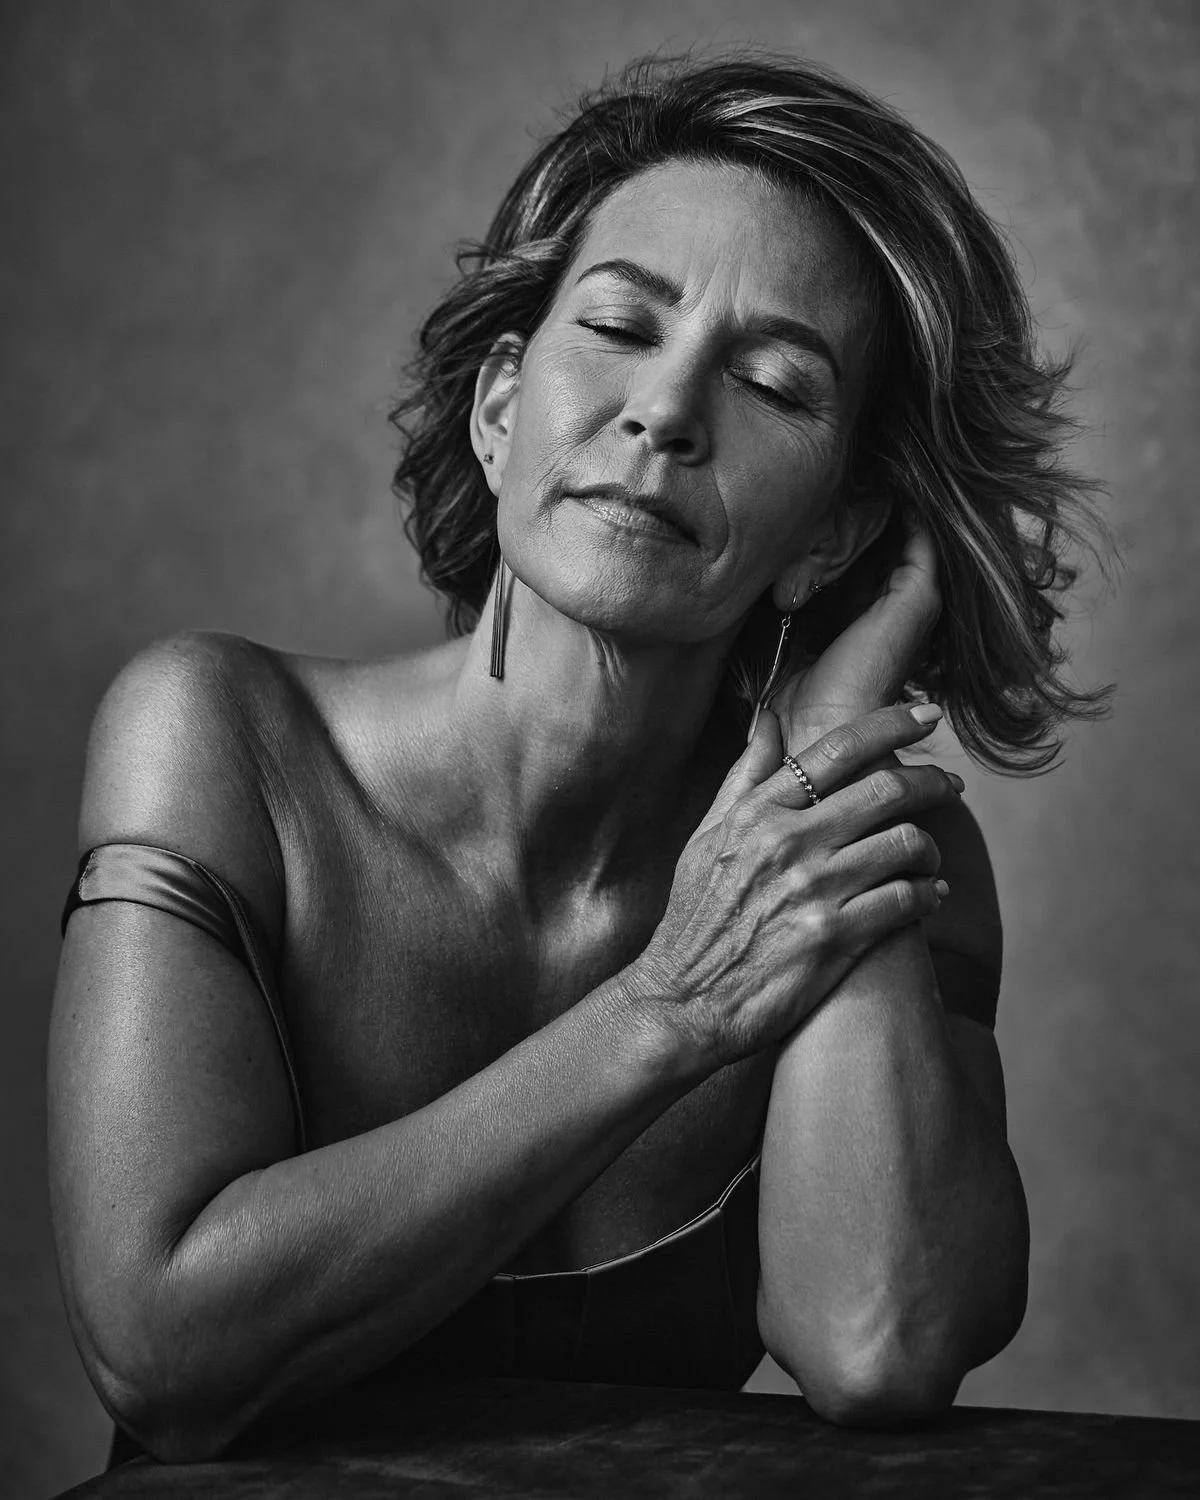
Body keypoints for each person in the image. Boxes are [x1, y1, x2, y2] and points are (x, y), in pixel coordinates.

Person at [49, 52, 1106, 1466]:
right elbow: (160, 1349)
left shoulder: (865, 848)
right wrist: (672, 1006)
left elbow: (881, 1341)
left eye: (775, 384)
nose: (667, 411)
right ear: (500, 411)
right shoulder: (221, 739)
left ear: (836, 533)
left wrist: (828, 760)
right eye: (618, 325)